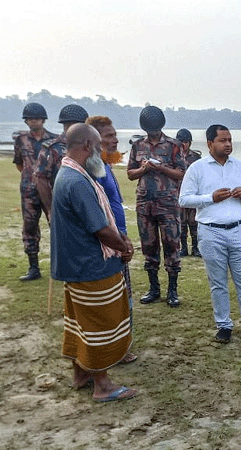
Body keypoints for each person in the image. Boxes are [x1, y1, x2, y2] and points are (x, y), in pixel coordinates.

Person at [50, 123, 137, 402]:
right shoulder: (76, 181)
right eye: (98, 145)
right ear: (87, 146)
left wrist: (120, 237)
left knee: (81, 323)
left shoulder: (70, 174)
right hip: (91, 265)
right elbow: (99, 228)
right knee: (102, 324)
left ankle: (81, 373)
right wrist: (123, 246)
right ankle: (103, 385)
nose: (102, 151)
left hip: (77, 265)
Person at [179, 125, 241, 345]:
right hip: (210, 232)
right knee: (218, 282)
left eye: (230, 140)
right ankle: (224, 325)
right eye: (222, 140)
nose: (227, 144)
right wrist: (210, 198)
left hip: (238, 230)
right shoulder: (197, 168)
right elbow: (184, 199)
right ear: (209, 144)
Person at [86, 115, 138, 365]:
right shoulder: (92, 169)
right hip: (106, 243)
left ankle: (121, 345)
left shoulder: (104, 165)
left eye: (115, 134)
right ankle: (114, 350)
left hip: (117, 239)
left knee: (121, 295)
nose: (115, 139)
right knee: (112, 299)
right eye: (108, 136)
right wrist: (118, 240)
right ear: (93, 140)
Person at [127, 106, 186, 308]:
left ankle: (172, 290)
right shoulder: (137, 146)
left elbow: (181, 174)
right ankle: (154, 288)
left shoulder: (173, 145)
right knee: (148, 247)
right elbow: (130, 174)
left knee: (172, 246)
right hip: (145, 204)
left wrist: (160, 167)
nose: (152, 131)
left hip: (168, 204)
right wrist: (143, 168)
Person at [13, 102, 57, 281]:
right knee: (30, 227)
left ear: (43, 119)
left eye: (37, 118)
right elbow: (19, 163)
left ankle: (59, 265)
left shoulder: (54, 140)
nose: (33, 121)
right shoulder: (20, 139)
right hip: (28, 191)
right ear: (26, 121)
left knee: (55, 225)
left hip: (49, 190)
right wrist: (31, 178)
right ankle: (34, 267)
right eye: (30, 118)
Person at [34, 104, 88, 217]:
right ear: (66, 125)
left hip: (86, 204)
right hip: (62, 206)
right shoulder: (53, 148)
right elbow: (41, 180)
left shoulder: (89, 146)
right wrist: (50, 209)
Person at [176, 128, 202, 258]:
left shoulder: (195, 157)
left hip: (192, 194)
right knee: (181, 223)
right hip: (179, 194)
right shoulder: (173, 157)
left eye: (186, 142)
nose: (184, 145)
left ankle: (196, 248)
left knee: (194, 222)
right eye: (181, 142)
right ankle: (183, 248)